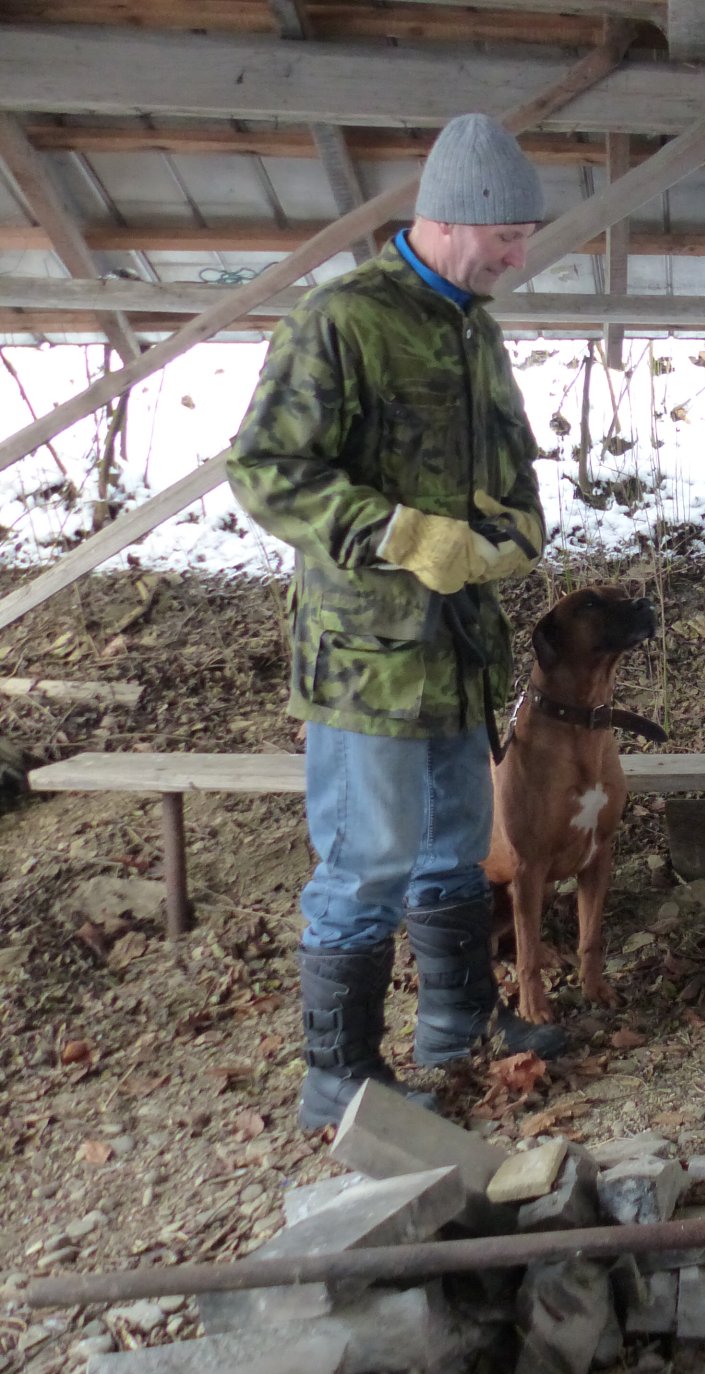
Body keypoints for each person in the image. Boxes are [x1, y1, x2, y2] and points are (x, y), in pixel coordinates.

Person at [229, 113, 566, 1131]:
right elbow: (265, 470)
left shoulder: (475, 328)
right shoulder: (343, 320)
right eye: (507, 238)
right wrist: (397, 533)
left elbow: (512, 470)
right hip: (366, 659)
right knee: (368, 859)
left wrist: (513, 533)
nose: (519, 257)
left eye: (524, 238)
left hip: (455, 649)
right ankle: (338, 1076)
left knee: (456, 843)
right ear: (450, 218)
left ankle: (456, 1022)